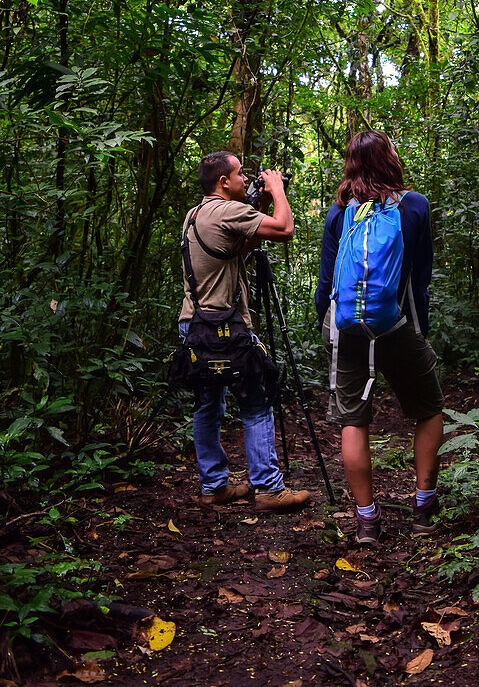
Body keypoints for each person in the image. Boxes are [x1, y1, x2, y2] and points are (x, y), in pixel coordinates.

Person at [315, 131, 444, 545]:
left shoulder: (339, 214)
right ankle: (424, 507)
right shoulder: (414, 207)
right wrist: (419, 328)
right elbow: (420, 278)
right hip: (398, 324)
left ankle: (367, 521)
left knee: (353, 420)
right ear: (391, 159)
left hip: (349, 329)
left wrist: (330, 328)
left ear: (350, 164)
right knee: (428, 408)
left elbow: (324, 285)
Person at [179, 151, 310, 513]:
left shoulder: (197, 214)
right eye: (240, 174)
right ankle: (268, 488)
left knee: (207, 406)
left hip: (195, 325)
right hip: (227, 328)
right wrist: (278, 190)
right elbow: (284, 229)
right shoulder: (227, 211)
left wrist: (261, 202)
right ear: (224, 181)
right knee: (256, 401)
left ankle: (214, 486)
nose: (245, 179)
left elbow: (242, 245)